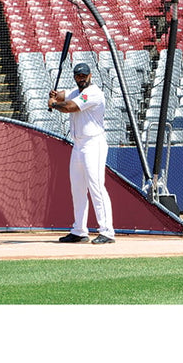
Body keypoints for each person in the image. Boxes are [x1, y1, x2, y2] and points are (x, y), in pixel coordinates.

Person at [48, 62, 115, 244]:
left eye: (84, 76)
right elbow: (63, 96)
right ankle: (79, 230)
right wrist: (55, 95)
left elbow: (70, 107)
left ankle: (107, 231)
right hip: (78, 145)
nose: (81, 78)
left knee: (96, 187)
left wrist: (54, 104)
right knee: (77, 189)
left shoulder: (93, 93)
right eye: (78, 76)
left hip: (94, 143)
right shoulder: (76, 91)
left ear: (90, 75)